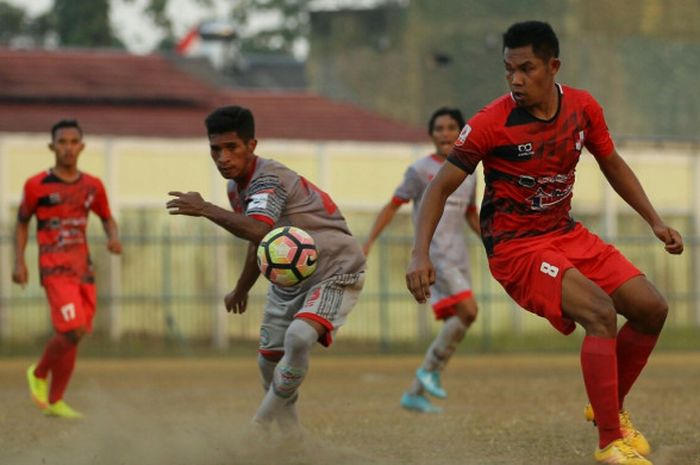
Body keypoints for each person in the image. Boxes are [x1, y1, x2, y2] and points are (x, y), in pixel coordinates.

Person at [405, 21, 683, 465]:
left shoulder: (583, 108)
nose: (516, 80)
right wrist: (419, 253)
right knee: (599, 312)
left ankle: (606, 407)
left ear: (553, 66)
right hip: (517, 249)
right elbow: (438, 188)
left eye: (526, 68)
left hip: (564, 232)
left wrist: (654, 220)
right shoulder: (488, 124)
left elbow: (611, 162)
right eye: (508, 70)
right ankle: (610, 441)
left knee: (652, 308)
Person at [166, 105, 366, 435]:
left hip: (335, 268)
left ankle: (257, 427)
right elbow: (257, 237)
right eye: (216, 149)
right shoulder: (236, 189)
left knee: (299, 337)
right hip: (291, 277)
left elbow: (259, 231)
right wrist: (242, 287)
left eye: (232, 147)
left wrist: (203, 208)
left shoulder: (267, 179)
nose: (223, 157)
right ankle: (292, 439)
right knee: (267, 361)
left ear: (252, 145)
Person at [363, 107, 480, 414]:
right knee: (469, 309)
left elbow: (471, 214)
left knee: (465, 317)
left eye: (451, 127)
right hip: (434, 255)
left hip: (459, 255)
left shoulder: (470, 171)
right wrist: (369, 242)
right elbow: (393, 206)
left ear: (461, 132)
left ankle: (416, 390)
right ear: (431, 135)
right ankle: (428, 372)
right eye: (438, 128)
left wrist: (494, 245)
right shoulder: (419, 170)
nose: (445, 133)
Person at [13, 119, 122, 419]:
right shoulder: (36, 186)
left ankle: (56, 400)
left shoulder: (93, 186)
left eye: (74, 142)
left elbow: (107, 217)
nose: (68, 148)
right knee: (71, 329)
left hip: (83, 270)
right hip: (55, 269)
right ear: (52, 147)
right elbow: (22, 223)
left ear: (82, 147)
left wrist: (113, 237)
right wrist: (19, 261)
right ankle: (38, 372)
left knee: (76, 334)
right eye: (62, 142)